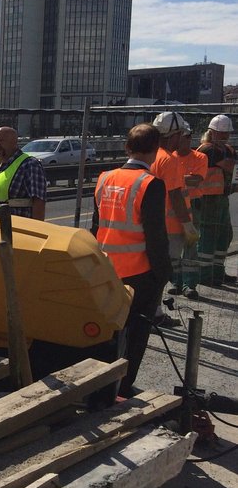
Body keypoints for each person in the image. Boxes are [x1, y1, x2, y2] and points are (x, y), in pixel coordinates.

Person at [92, 123, 171, 397]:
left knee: (108, 331)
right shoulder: (151, 184)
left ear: (127, 148)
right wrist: (163, 274)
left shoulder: (104, 178)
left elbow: (96, 226)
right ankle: (122, 387)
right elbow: (156, 236)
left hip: (105, 270)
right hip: (139, 274)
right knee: (135, 335)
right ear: (156, 150)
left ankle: (99, 383)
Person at [149, 112, 197, 327]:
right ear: (172, 135)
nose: (182, 139)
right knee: (161, 272)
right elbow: (176, 196)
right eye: (180, 134)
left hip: (156, 225)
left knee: (151, 270)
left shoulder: (153, 155)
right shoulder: (169, 160)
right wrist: (187, 225)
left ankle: (151, 310)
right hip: (169, 228)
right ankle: (155, 312)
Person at [196, 114, 236, 286]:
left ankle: (218, 272)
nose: (225, 136)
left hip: (222, 197)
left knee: (224, 235)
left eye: (226, 133)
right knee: (208, 237)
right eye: (221, 133)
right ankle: (205, 275)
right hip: (207, 199)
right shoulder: (206, 150)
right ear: (212, 132)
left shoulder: (227, 149)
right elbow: (229, 165)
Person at [169, 126, 208, 298]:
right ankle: (175, 282)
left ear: (188, 138)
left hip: (193, 204)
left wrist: (175, 178)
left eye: (180, 137)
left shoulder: (200, 157)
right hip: (173, 204)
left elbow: (196, 180)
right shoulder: (170, 158)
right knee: (174, 244)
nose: (176, 141)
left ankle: (189, 284)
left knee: (190, 243)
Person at [0, 126, 47, 220]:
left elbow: (39, 201)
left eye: (2, 141)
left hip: (15, 228)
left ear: (14, 143)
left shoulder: (29, 165)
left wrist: (37, 231)